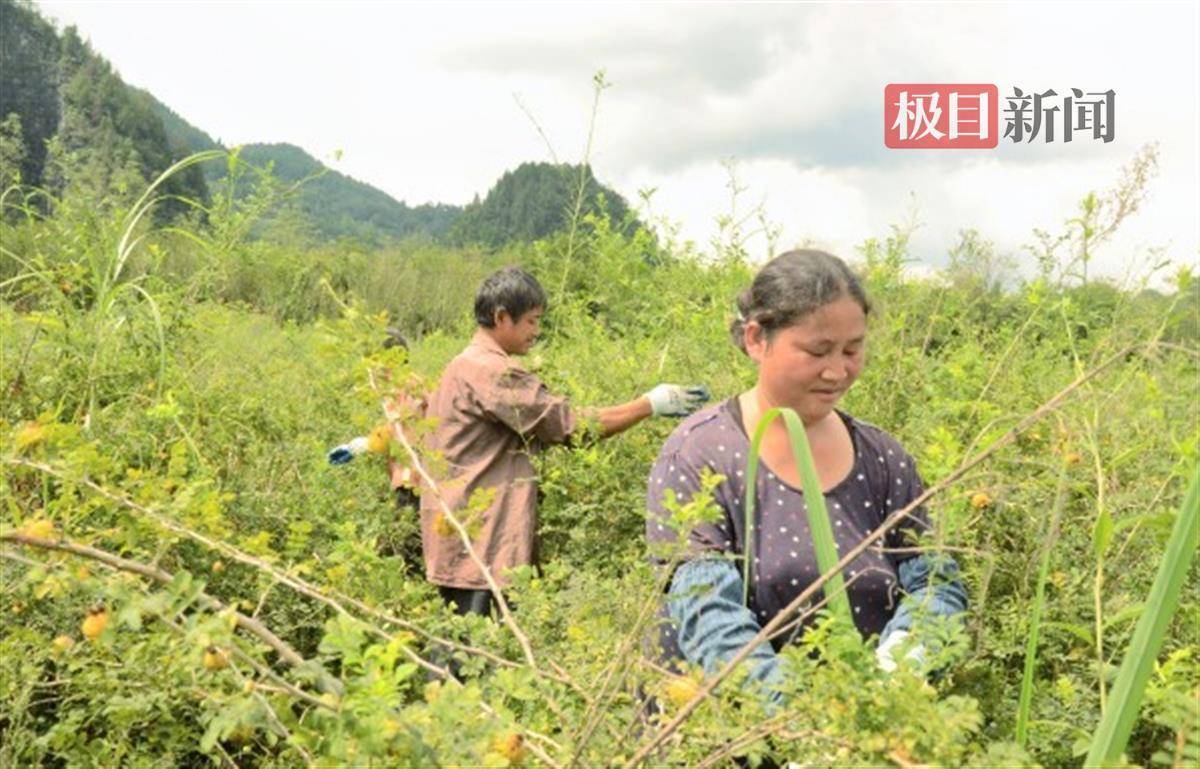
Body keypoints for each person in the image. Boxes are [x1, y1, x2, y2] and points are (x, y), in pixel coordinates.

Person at [645, 250, 967, 701]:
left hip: (871, 726)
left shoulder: (883, 458)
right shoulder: (699, 454)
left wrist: (898, 675)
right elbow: (704, 611)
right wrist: (804, 721)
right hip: (731, 732)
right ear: (757, 339)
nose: (838, 371)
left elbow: (937, 585)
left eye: (852, 350)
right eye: (817, 351)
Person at [423, 266, 710, 617]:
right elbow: (571, 426)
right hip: (481, 545)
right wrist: (649, 404)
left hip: (462, 537)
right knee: (472, 656)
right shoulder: (492, 372)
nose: (536, 332)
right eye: (531, 321)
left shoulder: (461, 364)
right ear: (502, 317)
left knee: (462, 653)